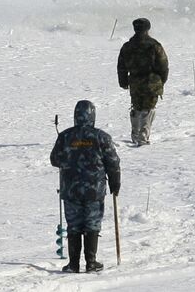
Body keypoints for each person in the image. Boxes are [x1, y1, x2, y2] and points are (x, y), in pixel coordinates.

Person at [50, 100, 121, 273]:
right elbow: (113, 163)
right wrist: (115, 181)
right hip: (94, 191)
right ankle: (91, 262)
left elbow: (55, 160)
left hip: (71, 189)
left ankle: (73, 264)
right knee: (92, 224)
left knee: (73, 225)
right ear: (93, 115)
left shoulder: (65, 137)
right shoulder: (101, 137)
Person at [116, 18, 168, 146]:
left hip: (134, 82)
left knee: (136, 107)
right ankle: (143, 134)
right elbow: (163, 65)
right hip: (151, 82)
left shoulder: (127, 46)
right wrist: (162, 80)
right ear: (148, 29)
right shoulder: (154, 45)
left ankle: (135, 133)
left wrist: (123, 82)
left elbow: (121, 66)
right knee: (149, 108)